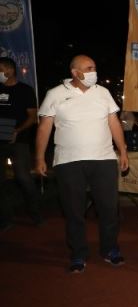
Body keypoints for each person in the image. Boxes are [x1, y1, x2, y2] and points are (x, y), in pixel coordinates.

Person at [34, 55, 129, 272]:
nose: (94, 71)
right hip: (68, 161)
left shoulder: (102, 93)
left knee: (109, 209)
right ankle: (78, 253)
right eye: (89, 68)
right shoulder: (55, 94)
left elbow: (113, 122)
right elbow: (44, 127)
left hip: (103, 159)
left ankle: (110, 249)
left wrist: (123, 150)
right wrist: (39, 157)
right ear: (75, 73)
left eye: (94, 67)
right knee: (74, 211)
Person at [0, 57, 43, 231]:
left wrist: (17, 131)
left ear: (10, 70)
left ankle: (36, 214)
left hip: (19, 141)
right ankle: (5, 218)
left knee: (23, 178)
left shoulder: (25, 90)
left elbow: (32, 117)